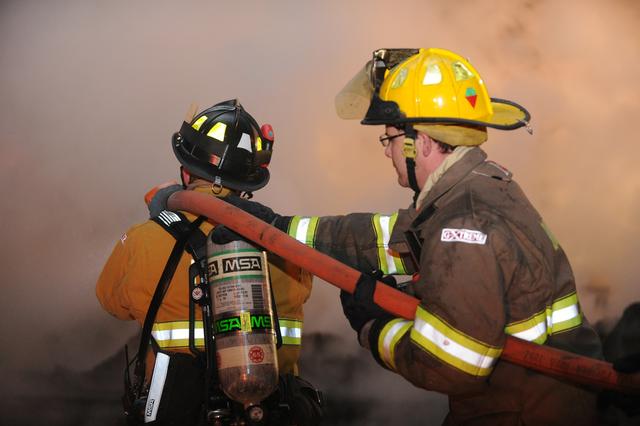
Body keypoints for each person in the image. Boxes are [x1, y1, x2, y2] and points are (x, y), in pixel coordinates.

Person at [217, 49, 604, 425]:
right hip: (544, 401)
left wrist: (376, 326)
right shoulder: (478, 187)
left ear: (417, 140)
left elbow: (453, 365)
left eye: (388, 140)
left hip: (518, 413)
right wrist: (279, 228)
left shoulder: (464, 224)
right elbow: (386, 238)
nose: (386, 153)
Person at [96, 99, 321, 425]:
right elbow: (302, 291)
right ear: (249, 180)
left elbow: (110, 301)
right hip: (272, 410)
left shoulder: (145, 238)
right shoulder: (285, 242)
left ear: (186, 170)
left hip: (178, 409)